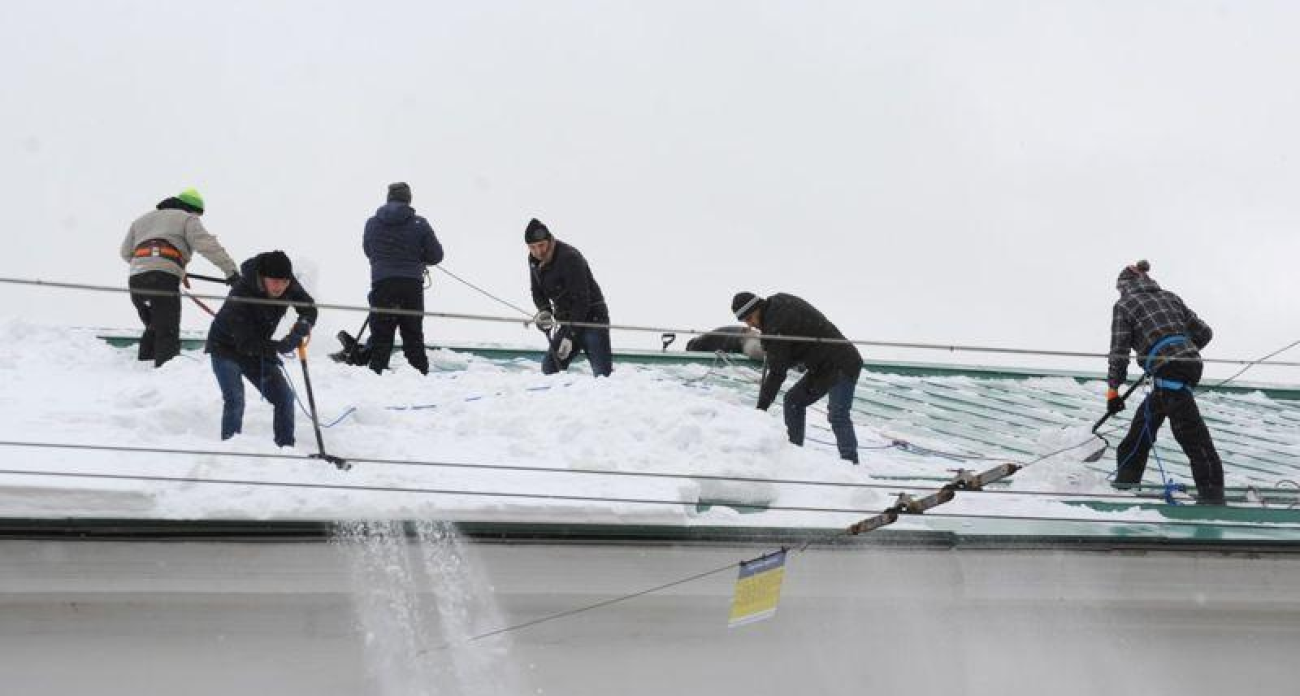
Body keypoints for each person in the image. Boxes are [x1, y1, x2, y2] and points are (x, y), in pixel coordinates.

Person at [1106, 260, 1225, 504]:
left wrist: (1113, 391)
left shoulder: (1124, 304)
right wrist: (1180, 350)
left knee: (1190, 433)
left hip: (1169, 370)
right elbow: (1204, 333)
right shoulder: (1170, 297)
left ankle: (1213, 498)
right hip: (1186, 366)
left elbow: (1119, 351)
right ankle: (1125, 486)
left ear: (1124, 286)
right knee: (1141, 429)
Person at [732, 291, 862, 464]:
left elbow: (778, 372)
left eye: (749, 318)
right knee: (793, 400)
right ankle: (795, 455)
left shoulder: (775, 326)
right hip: (822, 366)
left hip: (843, 361)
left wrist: (761, 408)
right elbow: (799, 334)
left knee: (838, 414)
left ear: (757, 309)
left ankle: (851, 465)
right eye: (745, 322)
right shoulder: (778, 302)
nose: (751, 325)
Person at [206, 251, 317, 448]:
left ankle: (285, 448)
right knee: (235, 399)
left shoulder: (289, 284)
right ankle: (230, 451)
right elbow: (245, 343)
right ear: (262, 278)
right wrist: (280, 346)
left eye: (284, 282)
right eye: (274, 281)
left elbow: (309, 308)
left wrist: (303, 326)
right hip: (225, 348)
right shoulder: (241, 294)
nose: (280, 287)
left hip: (257, 348)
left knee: (284, 396)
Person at [118, 188, 239, 367]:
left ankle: (143, 369)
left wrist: (164, 265)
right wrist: (231, 272)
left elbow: (125, 253)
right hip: (162, 279)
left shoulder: (141, 221)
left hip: (136, 278)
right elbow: (207, 245)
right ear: (191, 208)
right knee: (167, 330)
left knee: (154, 326)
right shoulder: (186, 218)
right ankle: (165, 376)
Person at [362, 182, 445, 375]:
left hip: (382, 284)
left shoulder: (372, 223)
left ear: (388, 198)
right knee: (413, 336)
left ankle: (375, 378)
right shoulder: (420, 223)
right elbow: (437, 255)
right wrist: (417, 257)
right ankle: (420, 377)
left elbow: (368, 251)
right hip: (411, 286)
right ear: (408, 200)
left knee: (381, 337)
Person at [526, 218, 612, 376]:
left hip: (593, 321)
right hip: (567, 322)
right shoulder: (533, 261)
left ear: (550, 240)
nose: (538, 252)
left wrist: (569, 336)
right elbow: (537, 292)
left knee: (603, 377)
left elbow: (582, 301)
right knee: (549, 369)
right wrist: (545, 311)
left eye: (541, 245)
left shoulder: (569, 258)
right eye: (533, 247)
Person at [686, 325, 765, 360]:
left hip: (745, 339)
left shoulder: (697, 344)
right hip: (749, 336)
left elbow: (694, 354)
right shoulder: (708, 338)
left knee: (758, 352)